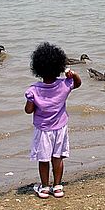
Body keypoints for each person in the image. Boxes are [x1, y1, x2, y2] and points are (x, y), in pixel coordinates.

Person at [24, 42, 82, 199]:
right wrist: (73, 74)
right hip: (60, 128)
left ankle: (44, 187)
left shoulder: (34, 90)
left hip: (43, 130)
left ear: (37, 69)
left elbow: (28, 110)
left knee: (43, 159)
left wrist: (32, 102)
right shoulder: (64, 85)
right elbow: (77, 83)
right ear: (59, 66)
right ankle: (57, 186)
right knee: (58, 158)